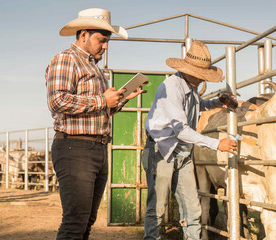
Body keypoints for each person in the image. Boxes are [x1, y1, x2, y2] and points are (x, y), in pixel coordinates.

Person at [46, 8, 147, 240]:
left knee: (87, 220)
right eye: (101, 40)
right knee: (75, 221)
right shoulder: (65, 60)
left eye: (107, 41)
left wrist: (117, 101)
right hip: (75, 148)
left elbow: (97, 109)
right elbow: (57, 101)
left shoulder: (94, 68)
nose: (106, 46)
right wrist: (103, 99)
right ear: (83, 35)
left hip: (96, 148)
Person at [143, 40, 238, 240]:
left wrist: (216, 102)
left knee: (193, 211)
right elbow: (181, 130)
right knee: (157, 209)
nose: (202, 79)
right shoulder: (171, 87)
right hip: (162, 151)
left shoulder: (191, 84)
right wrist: (216, 144)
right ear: (186, 69)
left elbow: (198, 105)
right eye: (200, 75)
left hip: (182, 152)